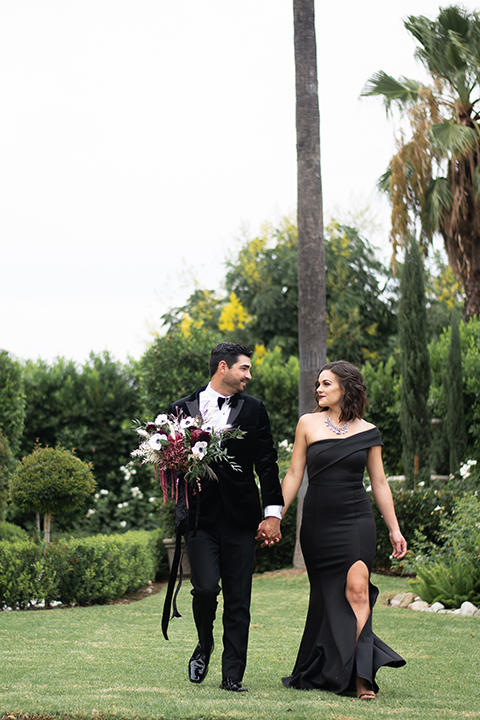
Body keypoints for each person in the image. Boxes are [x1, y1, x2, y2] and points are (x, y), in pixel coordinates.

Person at [281, 360, 407, 700]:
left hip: (356, 519)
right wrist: (274, 515)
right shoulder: (307, 424)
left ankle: (360, 677)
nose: (319, 389)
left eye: (326, 384)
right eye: (318, 384)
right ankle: (326, 664)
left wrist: (394, 529)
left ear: (346, 388)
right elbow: (294, 475)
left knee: (357, 590)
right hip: (319, 523)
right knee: (326, 599)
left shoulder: (369, 431)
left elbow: (379, 483)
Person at [166, 343, 283, 693]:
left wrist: (272, 513)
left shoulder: (255, 410)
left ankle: (232, 674)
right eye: (244, 368)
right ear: (223, 367)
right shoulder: (180, 409)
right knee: (204, 589)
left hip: (240, 518)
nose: (249, 375)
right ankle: (204, 643)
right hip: (199, 518)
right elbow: (168, 463)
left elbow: (267, 463)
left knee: (238, 598)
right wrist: (183, 471)